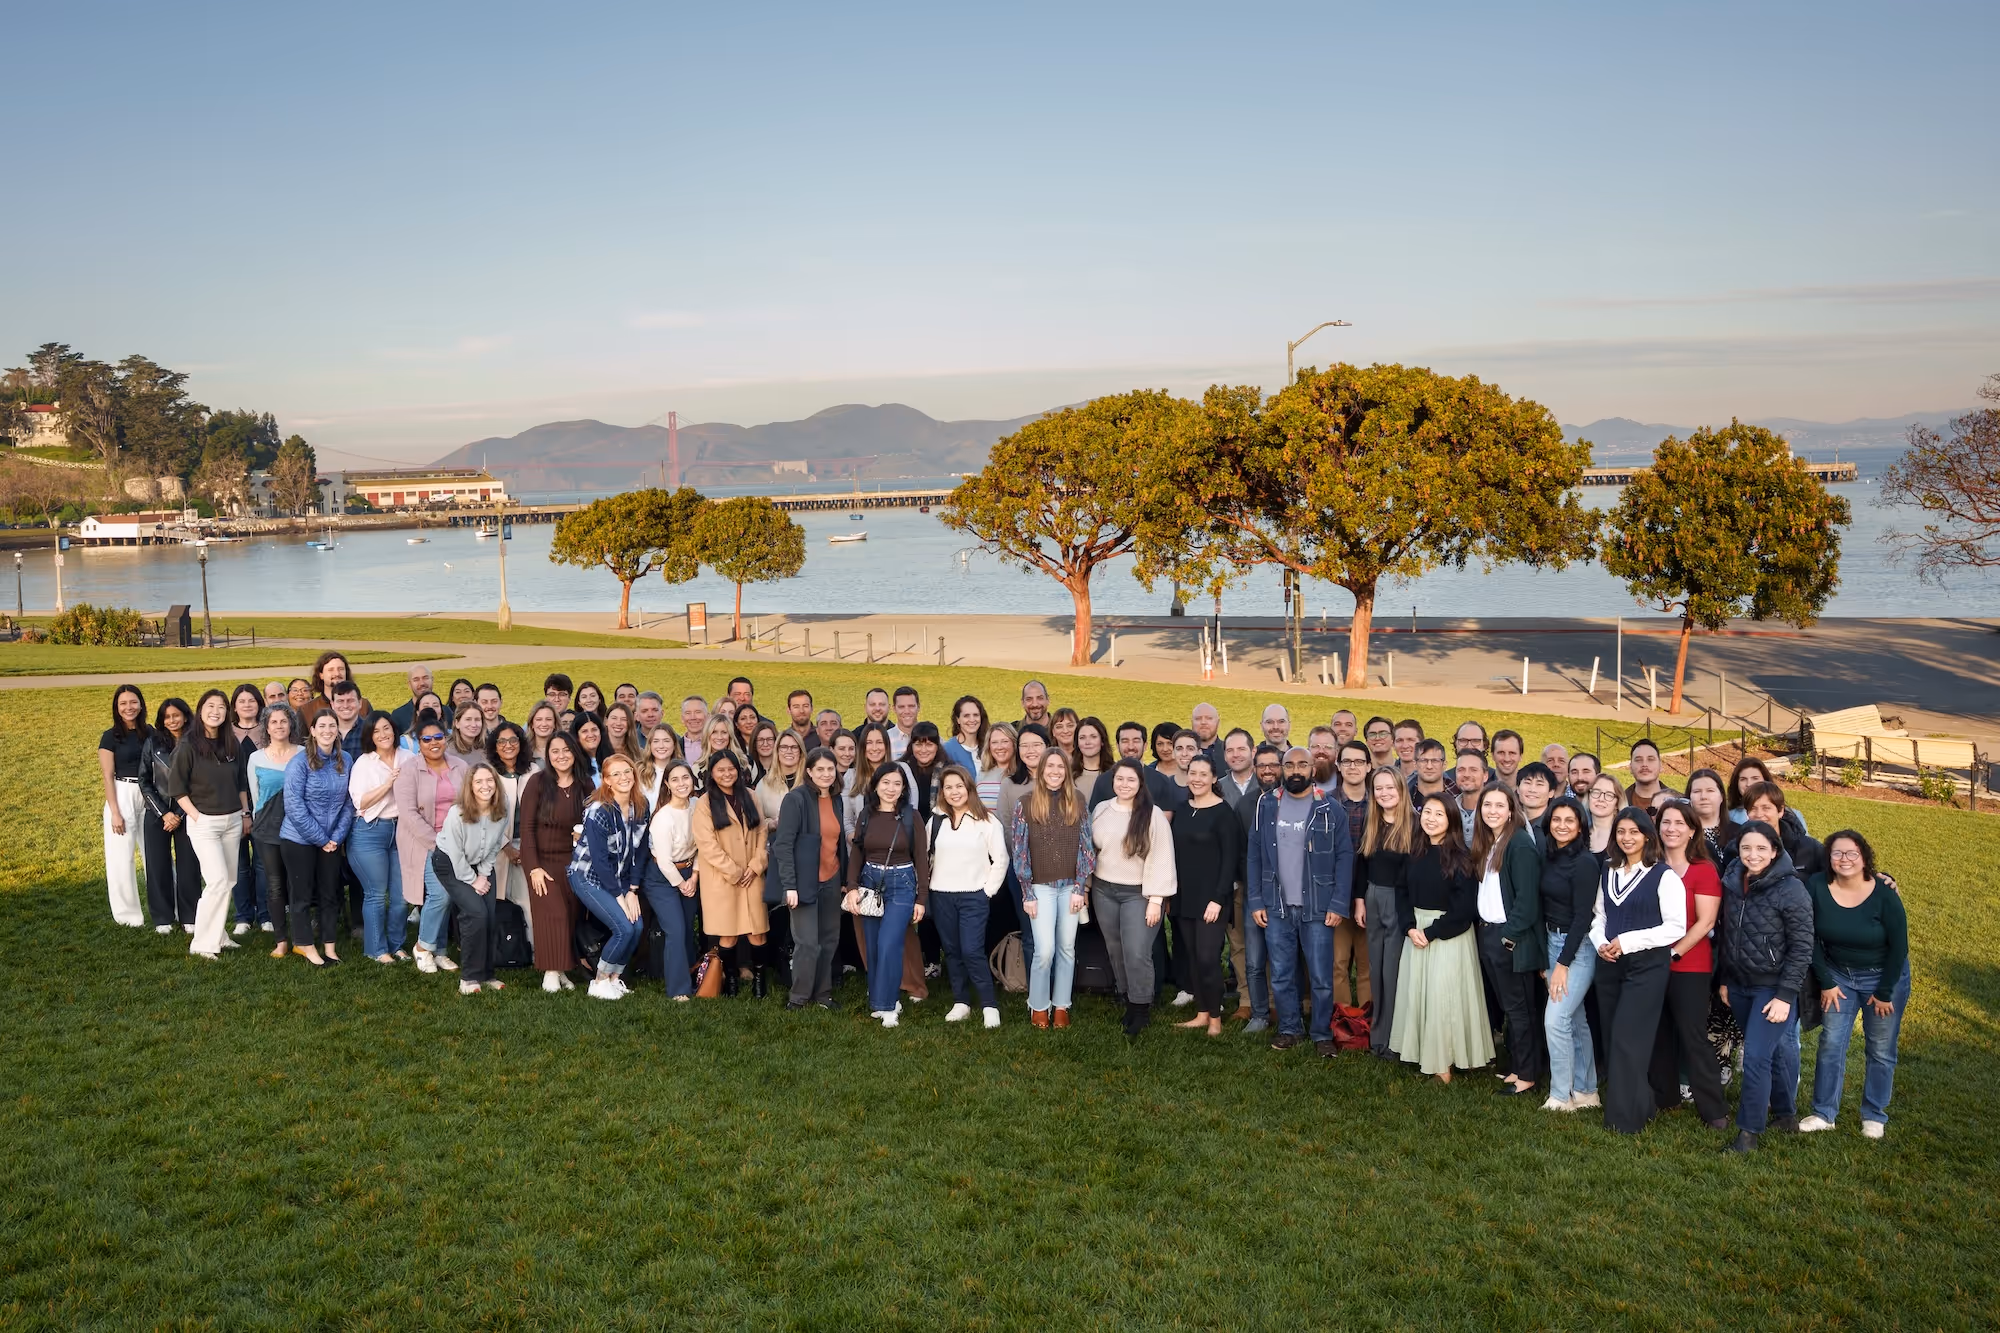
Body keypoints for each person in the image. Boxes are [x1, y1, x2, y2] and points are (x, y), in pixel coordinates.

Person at [1801, 830, 1910, 1140]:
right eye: (1837, 853)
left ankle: (1874, 1115)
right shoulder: (1817, 886)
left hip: (1883, 977)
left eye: (1851, 853)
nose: (1844, 859)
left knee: (1880, 1048)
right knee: (1832, 1043)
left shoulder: (1883, 893)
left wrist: (1885, 991)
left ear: (1864, 857)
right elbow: (1809, 937)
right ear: (1828, 858)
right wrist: (1826, 981)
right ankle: (1824, 1113)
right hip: (1839, 977)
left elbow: (1899, 946)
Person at [1246, 747, 1353, 1056]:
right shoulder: (1266, 805)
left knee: (1321, 976)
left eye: (1301, 765)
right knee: (1280, 973)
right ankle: (1290, 1028)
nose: (1295, 770)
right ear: (1281, 768)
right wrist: (1255, 900)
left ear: (1312, 769)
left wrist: (1337, 904)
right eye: (1289, 764)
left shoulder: (1330, 809)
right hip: (1276, 905)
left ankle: (1321, 1033)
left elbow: (1345, 857)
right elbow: (1254, 855)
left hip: (1318, 907)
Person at [1718, 820, 1814, 1152]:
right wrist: (1726, 980)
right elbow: (1728, 934)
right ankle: (1786, 1114)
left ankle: (1748, 1134)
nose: (1753, 854)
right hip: (1740, 985)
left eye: (1761, 848)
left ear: (1775, 851)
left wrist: (1786, 996)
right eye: (1746, 847)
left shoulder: (1791, 889)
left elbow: (1802, 948)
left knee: (1757, 1056)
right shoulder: (1732, 880)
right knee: (1767, 1053)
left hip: (1774, 989)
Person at [1590, 808, 1688, 1135]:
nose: (1627, 837)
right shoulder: (1608, 871)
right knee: (1610, 1035)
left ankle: (1624, 1120)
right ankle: (1641, 1103)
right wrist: (1601, 942)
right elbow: (1599, 916)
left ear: (1647, 835)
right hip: (1609, 963)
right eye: (1621, 831)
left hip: (1647, 967)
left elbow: (1676, 927)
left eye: (1634, 831)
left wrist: (1627, 941)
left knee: (1627, 1039)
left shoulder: (1664, 875)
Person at [1388, 794, 1492, 1082]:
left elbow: (1464, 909)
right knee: (1420, 996)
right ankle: (1424, 1052)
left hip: (1448, 934)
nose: (1431, 819)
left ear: (1451, 821)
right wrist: (1410, 927)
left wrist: (1431, 933)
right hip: (1416, 931)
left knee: (1443, 999)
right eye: (1427, 812)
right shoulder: (1414, 852)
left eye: (1439, 814)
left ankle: (1445, 1065)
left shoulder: (1461, 858)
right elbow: (1401, 892)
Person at [1651, 801, 1729, 1129]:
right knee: (1659, 1033)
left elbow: (1706, 921)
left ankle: (1715, 1111)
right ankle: (1664, 1097)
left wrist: (1672, 953)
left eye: (1679, 823)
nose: (1671, 828)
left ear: (1692, 830)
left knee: (1693, 1036)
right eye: (1665, 822)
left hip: (1689, 966)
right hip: (1650, 964)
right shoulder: (1649, 866)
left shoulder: (1703, 869)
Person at [1090, 759, 1178, 1036]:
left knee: (1137, 951)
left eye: (1131, 780)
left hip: (1138, 893)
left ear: (1140, 783)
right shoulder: (1102, 809)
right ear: (1112, 781)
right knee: (1115, 949)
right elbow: (1092, 850)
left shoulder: (1152, 816)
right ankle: (1126, 996)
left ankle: (1141, 1007)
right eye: (1120, 779)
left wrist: (1156, 899)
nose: (1124, 785)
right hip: (1104, 890)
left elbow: (1162, 857)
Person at [1470, 782, 1546, 1094]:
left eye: (1500, 805)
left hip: (1509, 938)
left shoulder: (1519, 845)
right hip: (1488, 933)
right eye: (1487, 805)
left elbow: (1528, 903)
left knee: (1521, 1009)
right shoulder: (1490, 843)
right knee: (1509, 1008)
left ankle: (1528, 1075)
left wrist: (1508, 938)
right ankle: (1517, 1068)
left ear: (1511, 810)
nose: (1492, 811)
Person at [1012, 747, 1095, 1029]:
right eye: (1050, 767)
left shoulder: (1078, 801)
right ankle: (1038, 1005)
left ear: (1067, 771)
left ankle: (1061, 1005)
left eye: (1061, 767)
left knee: (1067, 948)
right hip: (1040, 888)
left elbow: (1086, 847)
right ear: (1041, 770)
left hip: (1070, 886)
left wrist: (1080, 887)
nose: (1056, 772)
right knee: (1044, 949)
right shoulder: (1026, 803)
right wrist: (1028, 893)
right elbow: (1020, 852)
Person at [169, 689, 253, 960]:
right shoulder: (187, 746)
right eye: (210, 706)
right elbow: (178, 789)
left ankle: (218, 934)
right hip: (204, 823)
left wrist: (244, 813)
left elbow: (241, 781)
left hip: (231, 821)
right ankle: (202, 944)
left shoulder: (231, 743)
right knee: (217, 880)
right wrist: (196, 816)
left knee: (228, 880)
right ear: (201, 709)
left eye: (221, 707)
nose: (215, 711)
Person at [846, 763, 930, 1026]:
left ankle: (890, 1003)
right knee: (872, 945)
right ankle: (878, 1001)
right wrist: (851, 888)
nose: (891, 788)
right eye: (886, 783)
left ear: (904, 787)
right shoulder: (866, 815)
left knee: (889, 943)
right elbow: (857, 853)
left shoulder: (911, 816)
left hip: (903, 883)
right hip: (870, 881)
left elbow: (921, 859)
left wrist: (921, 898)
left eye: (897, 783)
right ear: (876, 785)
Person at [764, 747, 845, 1009]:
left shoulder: (836, 799)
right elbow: (783, 845)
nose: (825, 774)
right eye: (819, 769)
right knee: (807, 943)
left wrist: (842, 879)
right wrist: (790, 885)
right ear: (808, 771)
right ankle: (798, 998)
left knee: (829, 940)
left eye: (830, 769)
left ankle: (823, 994)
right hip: (803, 882)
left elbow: (838, 841)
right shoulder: (796, 799)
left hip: (832, 879)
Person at [927, 766, 1008, 1027]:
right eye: (948, 787)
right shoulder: (936, 819)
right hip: (941, 895)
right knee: (951, 950)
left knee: (972, 950)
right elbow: (927, 855)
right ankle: (961, 1002)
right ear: (943, 792)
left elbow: (1001, 859)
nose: (954, 792)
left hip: (974, 896)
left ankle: (989, 1005)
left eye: (959, 786)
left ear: (969, 788)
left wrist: (987, 891)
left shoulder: (986, 820)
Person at [570, 754, 651, 1001]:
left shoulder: (641, 805)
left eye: (627, 771)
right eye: (615, 774)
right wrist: (619, 896)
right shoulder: (599, 810)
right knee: (623, 928)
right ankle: (599, 981)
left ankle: (615, 980)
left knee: (636, 927)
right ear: (606, 780)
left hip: (621, 878)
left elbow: (641, 851)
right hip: (588, 876)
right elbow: (600, 860)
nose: (623, 777)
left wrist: (632, 891)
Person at [1170, 755, 1241, 1037]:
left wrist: (1218, 899)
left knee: (1208, 958)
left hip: (1212, 899)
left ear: (1214, 779)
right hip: (1184, 896)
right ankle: (1201, 1013)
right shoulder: (1181, 809)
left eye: (1203, 774)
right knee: (1193, 957)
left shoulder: (1224, 813)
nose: (1196, 779)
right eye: (1192, 773)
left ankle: (1215, 1018)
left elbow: (1230, 861)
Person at [395, 711, 471, 975]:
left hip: (457, 841)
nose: (433, 742)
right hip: (425, 842)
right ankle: (423, 947)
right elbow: (408, 813)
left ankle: (439, 951)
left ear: (446, 738)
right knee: (440, 893)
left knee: (448, 896)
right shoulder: (409, 770)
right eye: (426, 739)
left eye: (438, 736)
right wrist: (436, 842)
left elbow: (470, 803)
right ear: (419, 742)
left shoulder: (460, 766)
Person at [692, 750, 771, 997]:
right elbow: (707, 846)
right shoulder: (705, 803)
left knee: (757, 932)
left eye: (731, 769)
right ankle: (732, 980)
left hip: (752, 875)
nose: (727, 774)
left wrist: (756, 865)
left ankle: (760, 981)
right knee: (728, 936)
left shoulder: (750, 796)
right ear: (712, 774)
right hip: (724, 879)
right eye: (720, 770)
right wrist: (735, 872)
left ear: (739, 771)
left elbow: (761, 832)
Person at [1539, 796, 1601, 1112]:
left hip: (1577, 948)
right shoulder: (1549, 856)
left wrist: (1562, 963)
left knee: (1556, 1018)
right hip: (1551, 941)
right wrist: (1546, 958)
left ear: (1580, 826)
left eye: (1570, 820)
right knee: (1575, 1020)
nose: (1562, 826)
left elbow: (1583, 917)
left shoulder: (1586, 863)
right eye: (1557, 819)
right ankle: (1587, 1090)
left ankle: (1561, 1096)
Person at [431, 763, 510, 993]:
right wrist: (473, 880)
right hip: (449, 864)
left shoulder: (501, 811)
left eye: (489, 780)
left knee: (489, 915)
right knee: (476, 913)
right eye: (479, 782)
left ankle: (486, 974)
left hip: (481, 864)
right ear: (470, 786)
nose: (485, 786)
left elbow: (495, 846)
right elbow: (455, 854)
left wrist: (484, 874)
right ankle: (469, 978)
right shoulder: (458, 813)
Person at [520, 732, 588, 993]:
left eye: (566, 750)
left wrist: (584, 834)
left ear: (575, 753)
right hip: (542, 864)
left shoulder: (584, 785)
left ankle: (560, 970)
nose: (561, 756)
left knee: (569, 916)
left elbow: (595, 823)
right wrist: (533, 868)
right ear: (548, 755)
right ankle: (549, 971)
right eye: (555, 751)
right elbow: (526, 830)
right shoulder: (537, 783)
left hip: (573, 864)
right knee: (553, 915)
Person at [1357, 766, 1416, 1059]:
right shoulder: (1372, 820)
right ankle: (1377, 1038)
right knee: (1375, 970)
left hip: (1399, 900)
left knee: (1393, 972)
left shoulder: (1414, 824)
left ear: (1401, 789)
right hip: (1373, 897)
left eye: (1390, 787)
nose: (1384, 793)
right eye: (1378, 788)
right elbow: (1362, 863)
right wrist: (1359, 900)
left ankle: (1395, 1039)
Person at [641, 760, 703, 1001]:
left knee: (687, 927)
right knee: (675, 929)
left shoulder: (698, 806)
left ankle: (691, 975)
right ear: (666, 783)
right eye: (674, 779)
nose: (681, 784)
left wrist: (695, 877)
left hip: (689, 872)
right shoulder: (663, 817)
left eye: (685, 778)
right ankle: (678, 989)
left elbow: (702, 846)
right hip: (661, 878)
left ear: (692, 780)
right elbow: (664, 861)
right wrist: (681, 884)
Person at [348, 711, 406, 964]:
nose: (383, 735)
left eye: (386, 728)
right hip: (370, 831)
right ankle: (376, 949)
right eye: (376, 731)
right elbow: (360, 801)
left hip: (402, 830)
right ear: (370, 737)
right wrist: (389, 784)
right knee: (375, 892)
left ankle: (397, 945)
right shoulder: (364, 763)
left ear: (394, 730)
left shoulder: (409, 757)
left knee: (401, 896)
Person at [139, 696, 199, 933]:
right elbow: (144, 781)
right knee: (157, 866)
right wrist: (164, 813)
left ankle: (190, 916)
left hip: (187, 814)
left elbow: (199, 782)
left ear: (185, 715)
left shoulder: (196, 743)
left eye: (176, 715)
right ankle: (163, 917)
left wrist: (179, 814)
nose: (172, 720)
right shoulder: (152, 743)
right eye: (167, 717)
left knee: (189, 866)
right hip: (157, 814)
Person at [247, 703, 302, 958]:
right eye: (273, 722)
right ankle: (281, 940)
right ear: (266, 728)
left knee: (298, 883)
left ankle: (302, 938)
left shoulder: (303, 754)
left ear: (291, 724)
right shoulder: (256, 758)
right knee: (275, 885)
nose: (279, 726)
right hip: (267, 830)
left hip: (298, 829)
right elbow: (256, 796)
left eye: (283, 721)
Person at [99, 685, 152, 928]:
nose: (129, 707)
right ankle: (128, 917)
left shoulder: (151, 733)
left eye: (133, 702)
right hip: (122, 794)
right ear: (116, 708)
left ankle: (168, 909)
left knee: (156, 856)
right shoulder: (110, 736)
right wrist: (115, 812)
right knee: (122, 859)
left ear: (141, 704)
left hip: (149, 795)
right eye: (123, 703)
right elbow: (107, 775)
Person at [1330, 741, 1373, 1012]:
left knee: (1369, 964)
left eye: (1359, 762)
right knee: (1338, 962)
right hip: (1337, 896)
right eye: (1347, 762)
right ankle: (1343, 1019)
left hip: (1371, 895)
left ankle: (1369, 1020)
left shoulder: (1381, 803)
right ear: (1338, 766)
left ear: (1369, 767)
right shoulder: (1326, 803)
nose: (1353, 767)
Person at [486, 721, 533, 933]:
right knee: (495, 898)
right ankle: (498, 948)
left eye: (513, 740)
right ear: (494, 746)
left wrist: (528, 847)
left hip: (528, 845)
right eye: (502, 741)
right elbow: (484, 816)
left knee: (527, 899)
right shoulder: (488, 774)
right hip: (496, 846)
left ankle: (531, 946)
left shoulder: (534, 772)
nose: (508, 745)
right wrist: (506, 847)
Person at [754, 728, 805, 823]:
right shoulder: (764, 784)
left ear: (800, 751)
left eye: (794, 747)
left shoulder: (809, 782)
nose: (789, 751)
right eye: (784, 747)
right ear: (777, 751)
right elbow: (756, 822)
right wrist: (771, 824)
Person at [1685, 768, 1731, 863]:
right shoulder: (1681, 835)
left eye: (1710, 791)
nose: (1703, 797)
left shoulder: (1739, 833)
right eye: (1697, 791)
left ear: (1722, 796)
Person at [944, 695, 989, 774]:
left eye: (976, 715)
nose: (972, 720)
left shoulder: (988, 746)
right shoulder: (948, 750)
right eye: (966, 716)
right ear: (958, 719)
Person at [1451, 750, 1489, 840]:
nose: (1466, 775)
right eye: (1461, 770)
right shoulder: (1447, 809)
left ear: (1485, 776)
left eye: (1473, 770)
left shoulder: (1500, 811)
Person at [1515, 761, 1556, 842]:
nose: (1532, 790)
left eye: (1539, 784)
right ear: (1518, 789)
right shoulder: (1510, 823)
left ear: (1551, 792)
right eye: (1527, 782)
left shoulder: (1556, 825)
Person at [1585, 775, 1622, 858]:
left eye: (1609, 795)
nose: (1601, 799)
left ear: (1617, 803)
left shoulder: (1622, 837)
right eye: (1596, 792)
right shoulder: (1578, 834)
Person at [1408, 738, 1453, 805]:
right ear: (1415, 764)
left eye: (1435, 761)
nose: (1429, 766)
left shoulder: (1458, 799)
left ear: (1444, 765)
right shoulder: (1404, 798)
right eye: (1423, 760)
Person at [1626, 740, 1666, 806]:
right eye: (1638, 760)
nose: (1644, 764)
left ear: (1661, 765)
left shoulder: (1680, 803)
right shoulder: (1617, 805)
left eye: (1650, 759)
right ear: (1630, 767)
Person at [1074, 717, 1111, 788]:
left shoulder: (1115, 773)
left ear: (1102, 741)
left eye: (1093, 737)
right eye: (1082, 737)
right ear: (1077, 743)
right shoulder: (1068, 773)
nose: (1087, 742)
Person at [680, 695, 709, 763]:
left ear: (708, 716)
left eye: (698, 712)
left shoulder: (716, 744)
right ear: (682, 719)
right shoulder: (675, 747)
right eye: (688, 713)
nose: (693, 717)